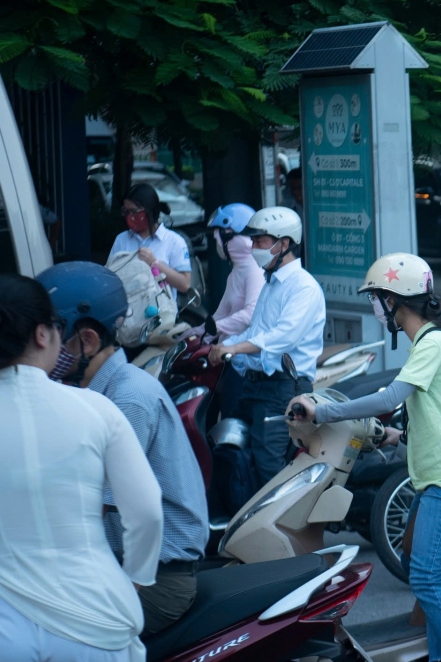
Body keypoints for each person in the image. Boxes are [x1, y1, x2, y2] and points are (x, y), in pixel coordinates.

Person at [289, 254, 441, 662]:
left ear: (396, 300)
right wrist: (394, 435)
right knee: (415, 560)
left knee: (426, 577)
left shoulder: (434, 342)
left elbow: (390, 396)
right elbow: (434, 409)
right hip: (433, 478)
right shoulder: (428, 343)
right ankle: (436, 645)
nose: (375, 307)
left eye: (377, 298)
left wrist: (320, 411)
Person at [38, 262, 207, 636]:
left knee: (52, 635)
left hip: (156, 581)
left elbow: (90, 504)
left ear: (88, 341)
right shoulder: (94, 391)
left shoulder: (126, 399)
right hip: (119, 565)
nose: (42, 347)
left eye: (51, 336)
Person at [0, 274, 163, 660]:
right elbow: (147, 512)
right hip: (95, 618)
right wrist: (135, 580)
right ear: (43, 335)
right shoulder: (96, 408)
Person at [209, 207, 325, 503]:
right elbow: (254, 332)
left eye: (260, 241)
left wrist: (233, 348)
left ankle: (279, 536)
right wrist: (219, 344)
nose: (253, 247)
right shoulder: (270, 284)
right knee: (232, 445)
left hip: (284, 389)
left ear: (283, 244)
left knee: (267, 462)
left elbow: (281, 337)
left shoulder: (304, 288)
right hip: (256, 385)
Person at [108, 182, 192, 299]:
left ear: (150, 210)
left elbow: (185, 285)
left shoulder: (174, 241)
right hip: (128, 313)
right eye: (126, 211)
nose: (130, 216)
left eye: (134, 211)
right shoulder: (122, 239)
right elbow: (109, 277)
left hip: (163, 313)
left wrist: (155, 263)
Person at [202, 203, 265, 340]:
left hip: (243, 355)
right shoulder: (236, 271)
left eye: (217, 239)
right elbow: (221, 315)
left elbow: (251, 314)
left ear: (229, 236)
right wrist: (195, 334)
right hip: (226, 352)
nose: (217, 244)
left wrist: (216, 327)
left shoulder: (254, 268)